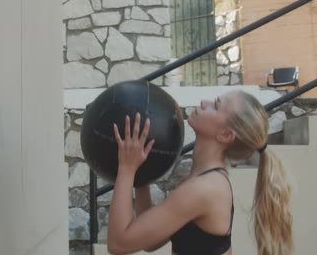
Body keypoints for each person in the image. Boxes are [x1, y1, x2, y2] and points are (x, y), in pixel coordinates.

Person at [107, 90, 293, 255]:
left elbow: (119, 243)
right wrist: (142, 177)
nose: (204, 102)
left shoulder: (203, 189)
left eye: (216, 106)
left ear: (225, 135)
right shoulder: (203, 180)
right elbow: (150, 241)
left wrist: (126, 169)